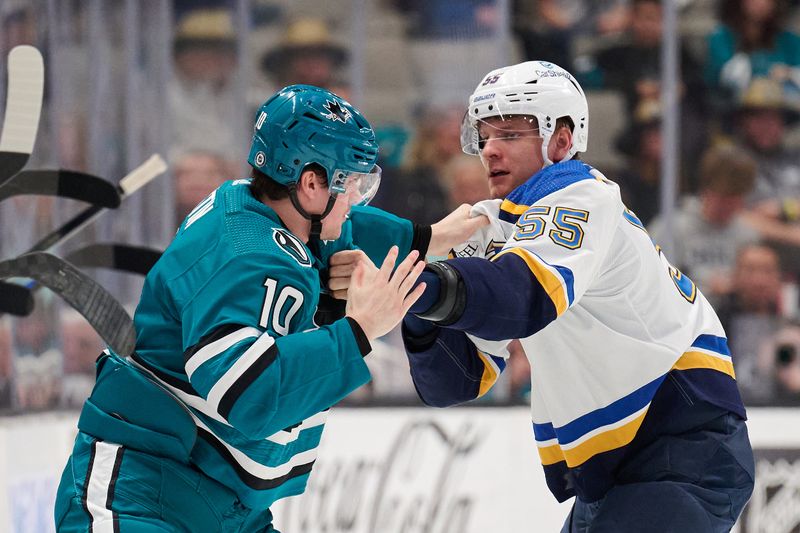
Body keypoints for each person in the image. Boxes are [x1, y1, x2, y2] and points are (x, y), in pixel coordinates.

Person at [337, 61, 754, 531]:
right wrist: (416, 296)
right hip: (622, 470)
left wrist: (411, 281)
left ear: (561, 139)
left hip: (684, 449)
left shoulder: (582, 194)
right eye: (485, 135)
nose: (491, 149)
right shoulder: (492, 226)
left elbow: (519, 299)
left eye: (511, 134)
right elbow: (455, 381)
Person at [54, 85, 485, 532]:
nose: (357, 197)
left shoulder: (256, 203)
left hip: (223, 500)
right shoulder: (246, 258)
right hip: (142, 496)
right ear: (311, 182)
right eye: (352, 182)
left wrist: (424, 237)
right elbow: (248, 395)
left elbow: (340, 225)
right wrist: (361, 328)